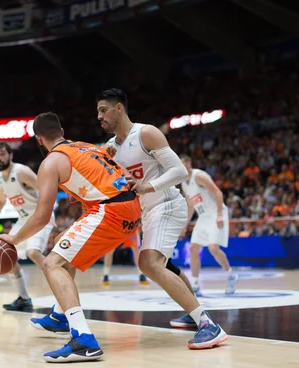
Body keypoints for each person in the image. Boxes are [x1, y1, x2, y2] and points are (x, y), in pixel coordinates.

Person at [0, 112, 142, 362]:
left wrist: (13, 239)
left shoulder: (50, 163)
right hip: (131, 209)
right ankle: (60, 315)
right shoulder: (85, 146)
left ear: (39, 139)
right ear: (61, 130)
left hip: (109, 211)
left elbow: (41, 216)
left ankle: (83, 339)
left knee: (52, 263)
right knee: (64, 248)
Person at [97, 88, 228, 338]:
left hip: (167, 204)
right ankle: (194, 315)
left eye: (103, 110)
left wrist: (148, 186)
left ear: (119, 108)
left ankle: (208, 325)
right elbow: (119, 184)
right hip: (147, 211)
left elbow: (179, 171)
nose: (99, 117)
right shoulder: (110, 148)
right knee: (164, 264)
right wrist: (109, 166)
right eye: (97, 112)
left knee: (147, 262)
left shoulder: (146, 133)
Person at [0, 142, 55, 311]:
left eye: (2, 154)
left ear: (10, 155)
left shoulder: (21, 171)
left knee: (33, 252)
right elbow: (0, 202)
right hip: (24, 220)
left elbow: (45, 189)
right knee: (9, 257)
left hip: (40, 215)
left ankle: (61, 288)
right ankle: (24, 299)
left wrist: (49, 212)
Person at [179, 154, 238, 295]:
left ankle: (231, 275)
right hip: (203, 216)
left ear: (188, 164)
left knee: (213, 248)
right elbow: (190, 205)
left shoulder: (199, 176)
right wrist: (185, 225)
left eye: (180, 164)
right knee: (193, 248)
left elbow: (218, 192)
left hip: (215, 212)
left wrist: (219, 214)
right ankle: (195, 283)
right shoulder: (183, 183)